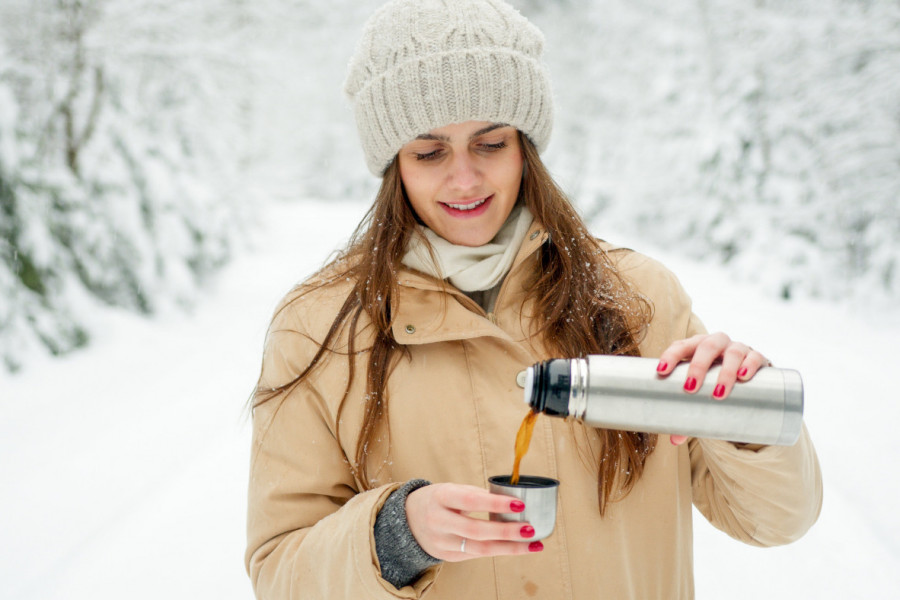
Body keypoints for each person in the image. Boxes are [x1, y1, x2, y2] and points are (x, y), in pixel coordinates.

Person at [244, 1, 823, 598]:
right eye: (429, 152)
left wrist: (744, 417)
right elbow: (280, 569)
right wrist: (394, 536)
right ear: (394, 166)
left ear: (526, 148)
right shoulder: (318, 327)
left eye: (490, 143)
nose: (464, 179)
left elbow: (775, 520)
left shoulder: (639, 299)